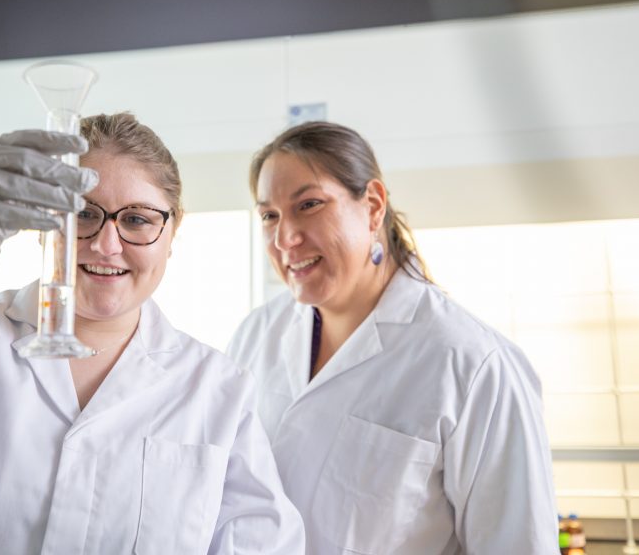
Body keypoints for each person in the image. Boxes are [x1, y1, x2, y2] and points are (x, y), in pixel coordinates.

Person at [0, 113, 304, 554]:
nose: (106, 244)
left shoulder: (217, 388)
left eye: (136, 220)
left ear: (173, 231)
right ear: (44, 224)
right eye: (82, 214)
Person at [226, 121, 558, 554]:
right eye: (269, 216)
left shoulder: (474, 364)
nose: (285, 238)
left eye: (309, 204)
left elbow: (518, 544)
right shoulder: (255, 337)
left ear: (374, 206)